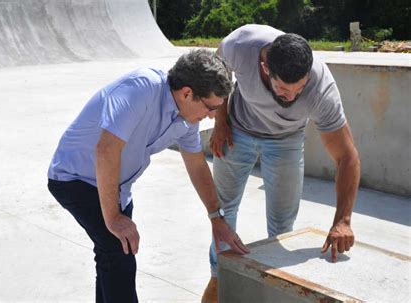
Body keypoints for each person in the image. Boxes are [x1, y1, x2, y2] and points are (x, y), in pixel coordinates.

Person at [47, 49, 250, 303]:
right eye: (211, 107)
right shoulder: (141, 89)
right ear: (187, 93)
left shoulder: (187, 119)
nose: (212, 116)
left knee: (113, 258)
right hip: (74, 178)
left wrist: (216, 219)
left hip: (117, 187)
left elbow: (197, 167)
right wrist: (113, 217)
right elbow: (106, 150)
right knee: (119, 252)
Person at [201, 25, 360, 302]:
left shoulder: (321, 89)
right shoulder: (241, 45)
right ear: (265, 68)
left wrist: (343, 221)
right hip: (237, 130)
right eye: (283, 89)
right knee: (223, 214)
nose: (292, 97)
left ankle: (274, 289)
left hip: (286, 141)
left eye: (299, 89)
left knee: (282, 226)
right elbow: (219, 74)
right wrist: (221, 121)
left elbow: (347, 157)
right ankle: (219, 278)